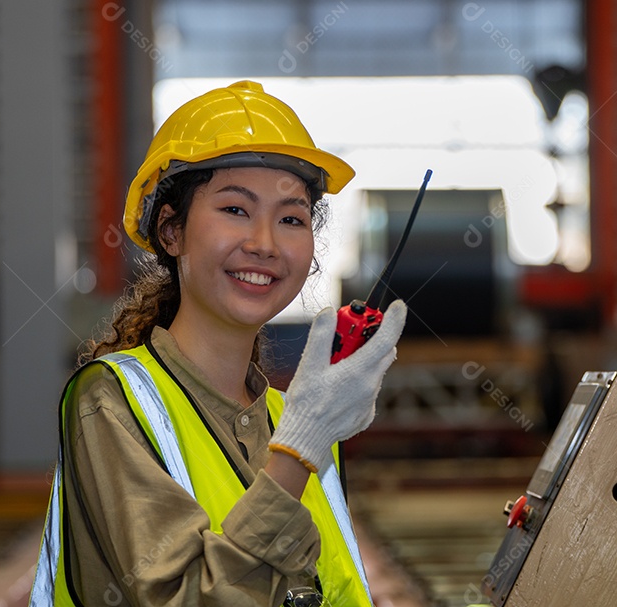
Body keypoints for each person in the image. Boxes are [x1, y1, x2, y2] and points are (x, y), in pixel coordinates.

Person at [30, 80, 407, 607]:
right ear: (171, 232)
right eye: (235, 210)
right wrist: (299, 451)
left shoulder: (291, 418)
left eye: (292, 218)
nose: (265, 244)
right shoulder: (111, 403)